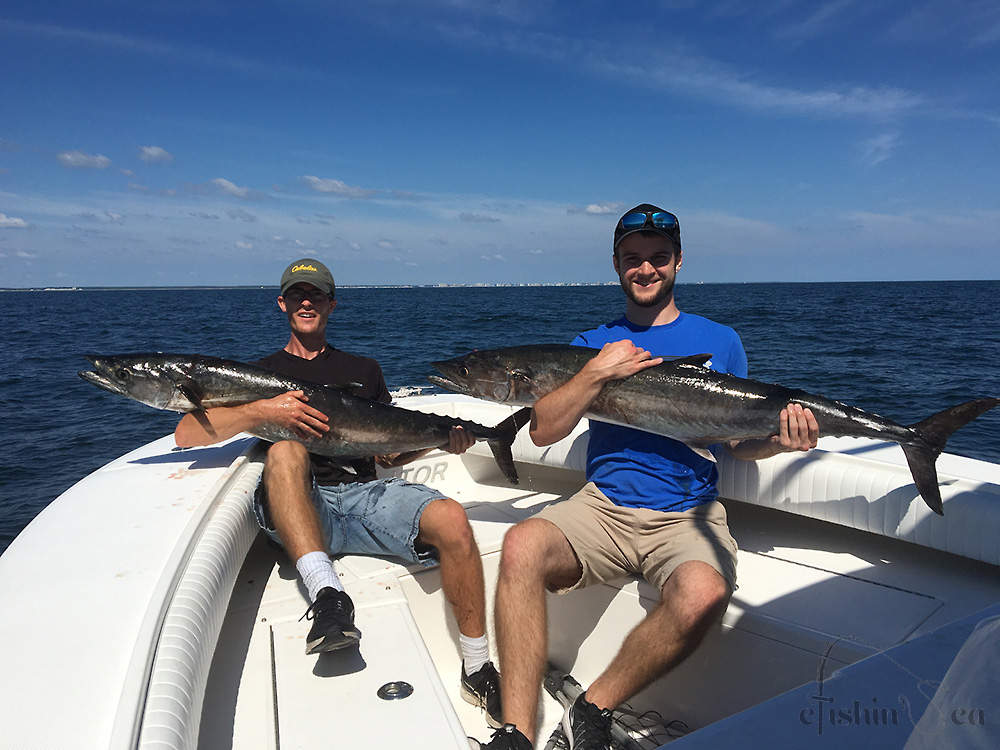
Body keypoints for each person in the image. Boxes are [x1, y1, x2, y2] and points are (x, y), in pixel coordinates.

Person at [480, 205, 820, 749]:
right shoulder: (591, 342)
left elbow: (738, 442)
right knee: (521, 544)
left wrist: (781, 438)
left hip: (687, 513)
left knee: (705, 593)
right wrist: (595, 370)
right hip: (603, 507)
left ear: (678, 262)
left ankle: (593, 706)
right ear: (616, 265)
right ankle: (516, 733)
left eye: (658, 258)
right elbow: (543, 430)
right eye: (633, 258)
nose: (646, 269)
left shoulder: (721, 340)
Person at [174, 258, 502, 729]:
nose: (307, 303)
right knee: (285, 452)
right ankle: (329, 596)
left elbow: (388, 457)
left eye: (318, 295)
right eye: (297, 295)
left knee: (451, 517)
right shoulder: (257, 375)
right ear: (282, 303)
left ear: (331, 304)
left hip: (367, 494)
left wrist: (440, 440)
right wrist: (264, 410)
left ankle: (477, 667)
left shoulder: (363, 369)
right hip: (303, 505)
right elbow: (187, 433)